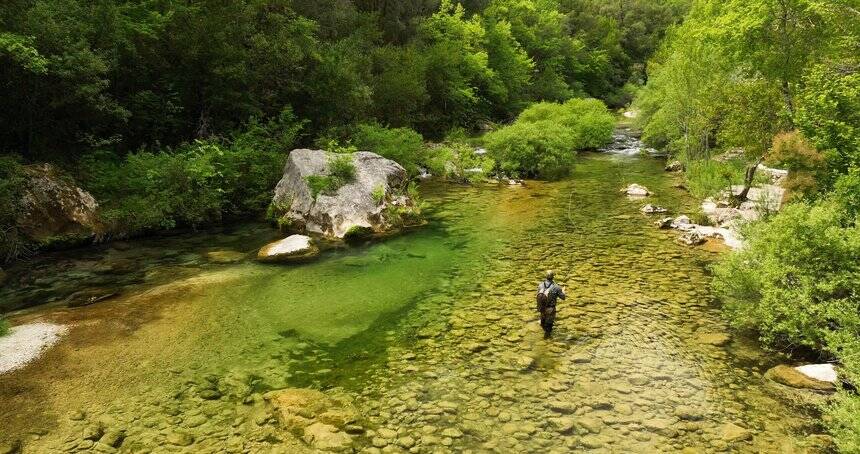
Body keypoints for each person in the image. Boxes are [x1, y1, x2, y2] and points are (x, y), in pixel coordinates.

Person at [536, 270, 566, 338]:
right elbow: (563, 297)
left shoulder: (540, 285)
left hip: (541, 308)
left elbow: (537, 295)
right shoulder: (556, 287)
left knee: (543, 323)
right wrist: (563, 291)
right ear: (553, 277)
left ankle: (543, 331)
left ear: (546, 276)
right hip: (550, 309)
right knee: (549, 327)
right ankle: (546, 340)